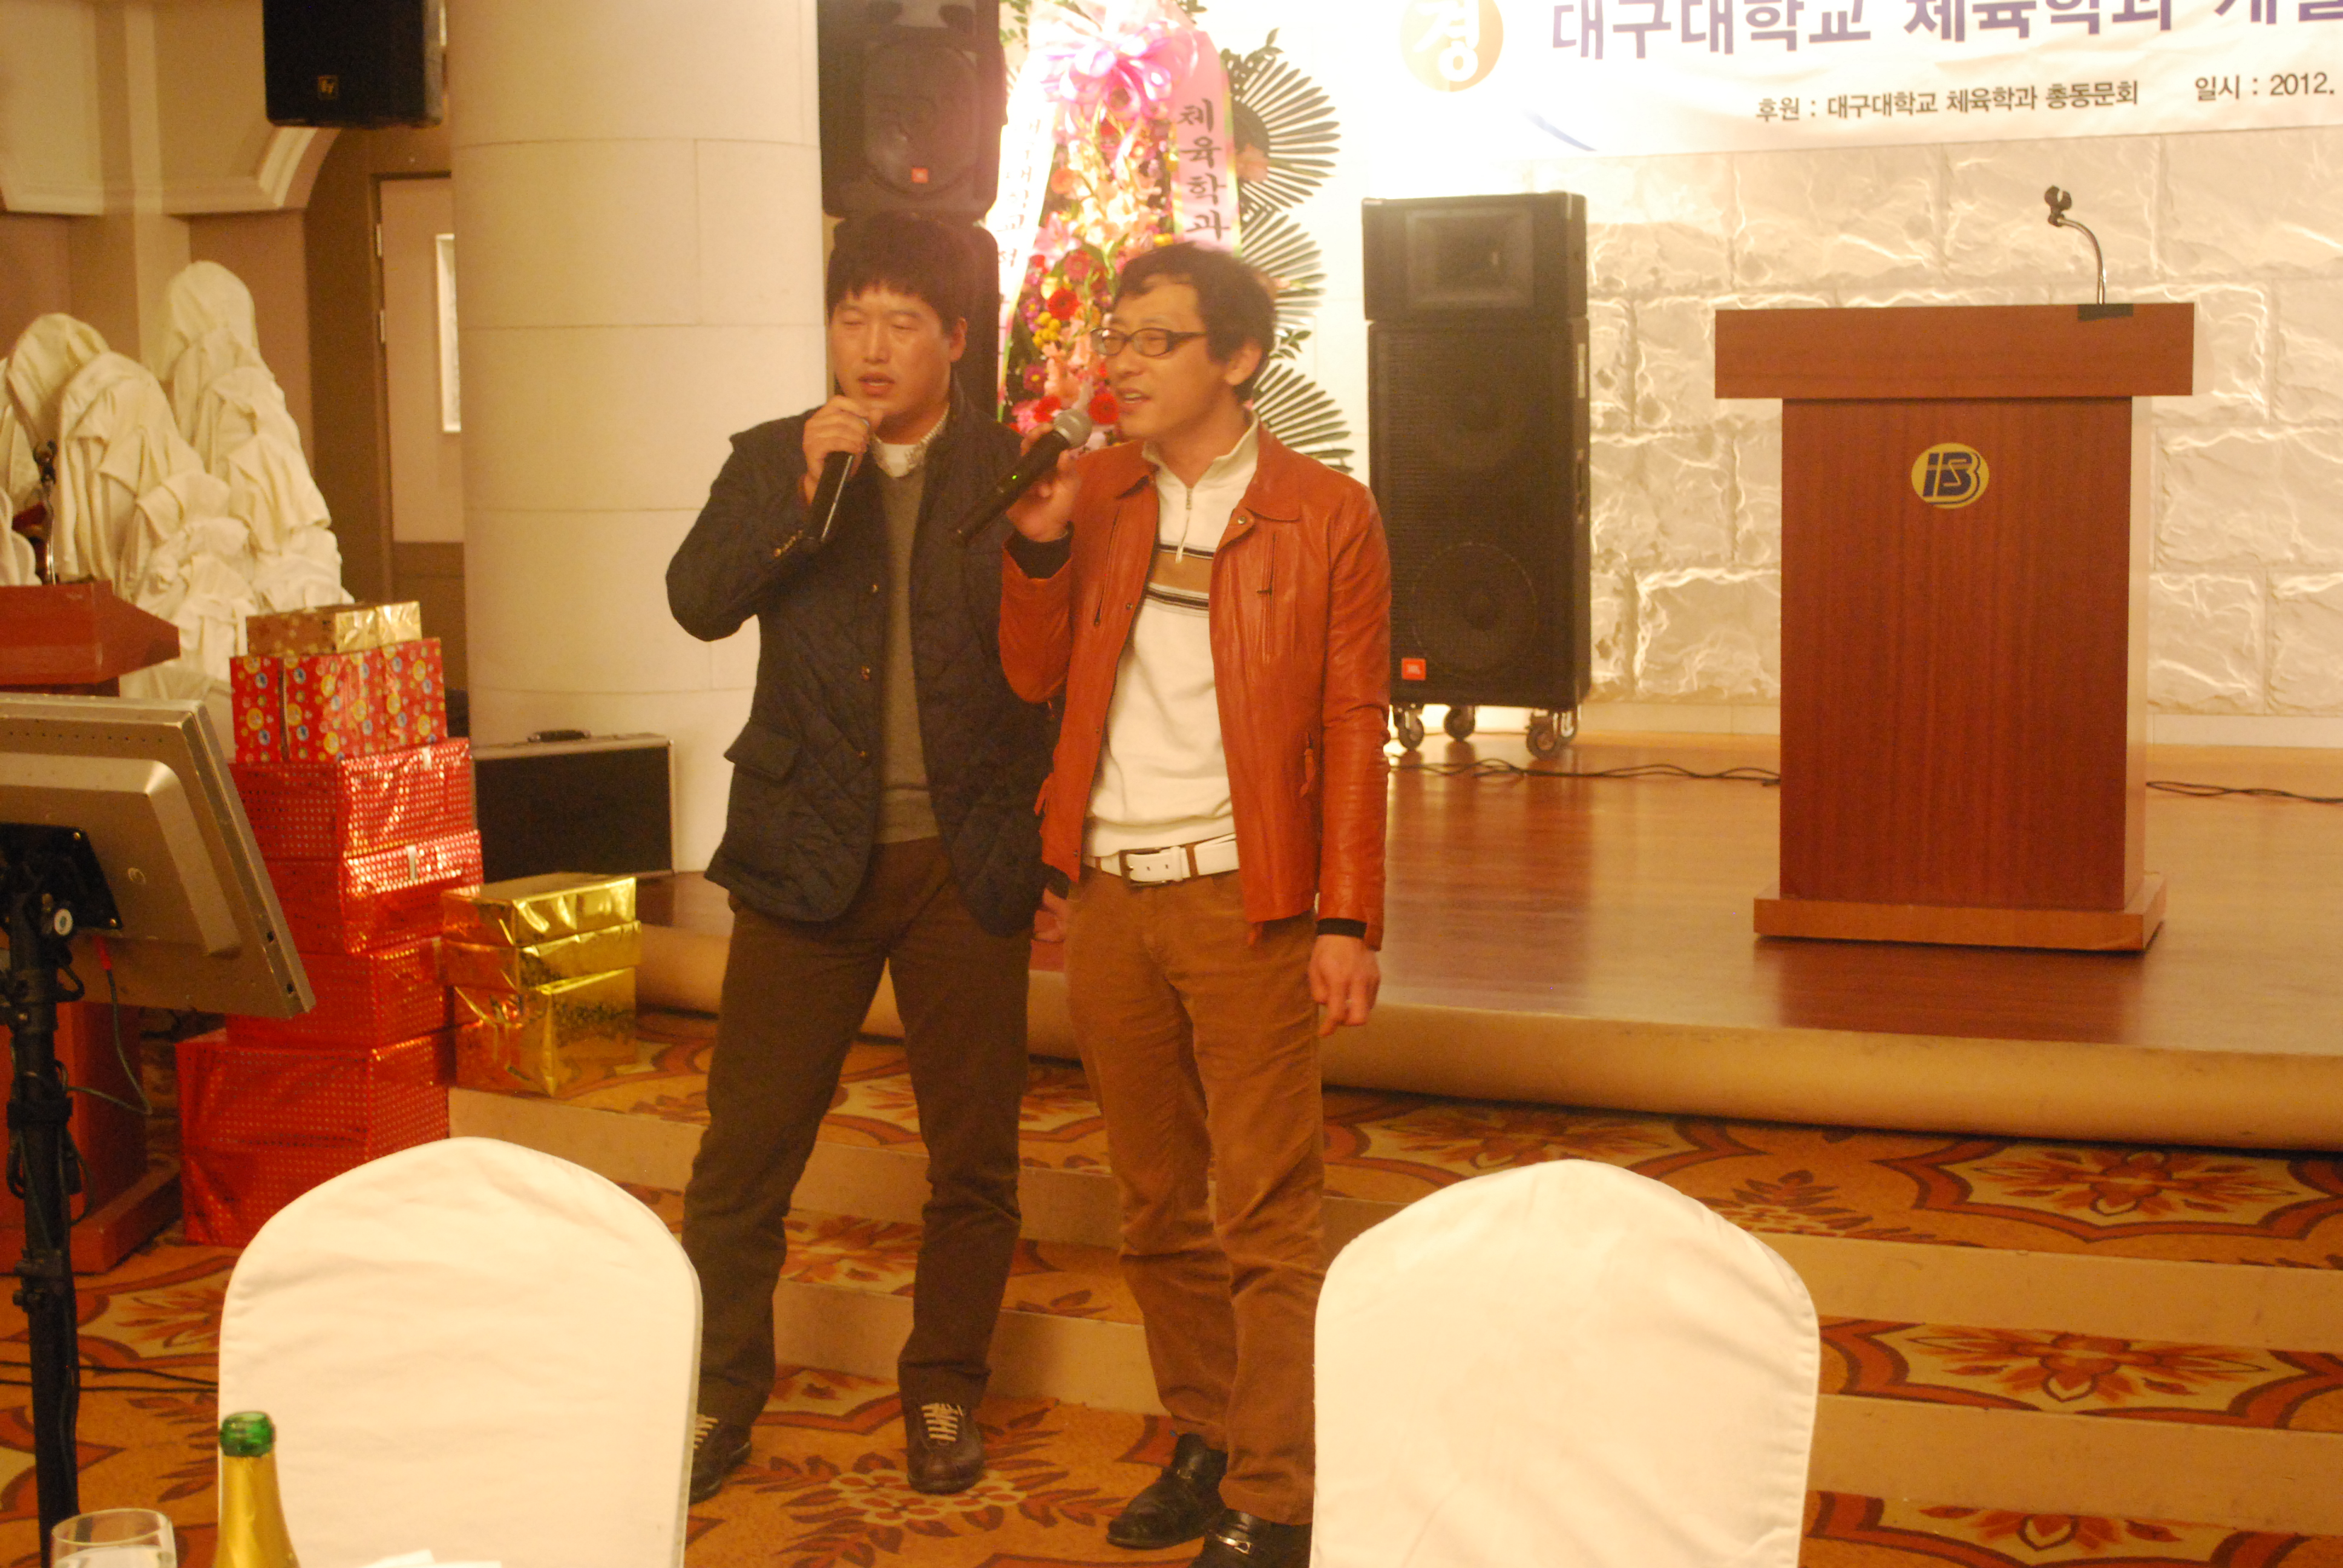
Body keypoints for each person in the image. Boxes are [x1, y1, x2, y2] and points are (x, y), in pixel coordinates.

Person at [997, 242, 1391, 1568]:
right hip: (1110, 893)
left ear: (1236, 358)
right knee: (1155, 1203)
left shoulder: (1324, 513)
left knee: (1265, 1211)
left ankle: (1276, 1495)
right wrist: (1038, 549)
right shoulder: (1098, 489)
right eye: (1116, 337)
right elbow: (1031, 675)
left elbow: (1354, 720)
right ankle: (1208, 1438)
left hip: (1246, 896)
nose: (1123, 362)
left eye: (1155, 340)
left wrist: (1348, 917)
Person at [665, 212, 1055, 1504]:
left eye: (902, 321)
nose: (872, 346)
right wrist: (798, 498)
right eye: (852, 318)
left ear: (957, 338)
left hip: (965, 862)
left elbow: (1056, 656)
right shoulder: (774, 457)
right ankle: (718, 1396)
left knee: (974, 1162)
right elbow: (697, 600)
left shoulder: (1014, 472)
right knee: (743, 1157)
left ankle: (943, 1388)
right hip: (804, 856)